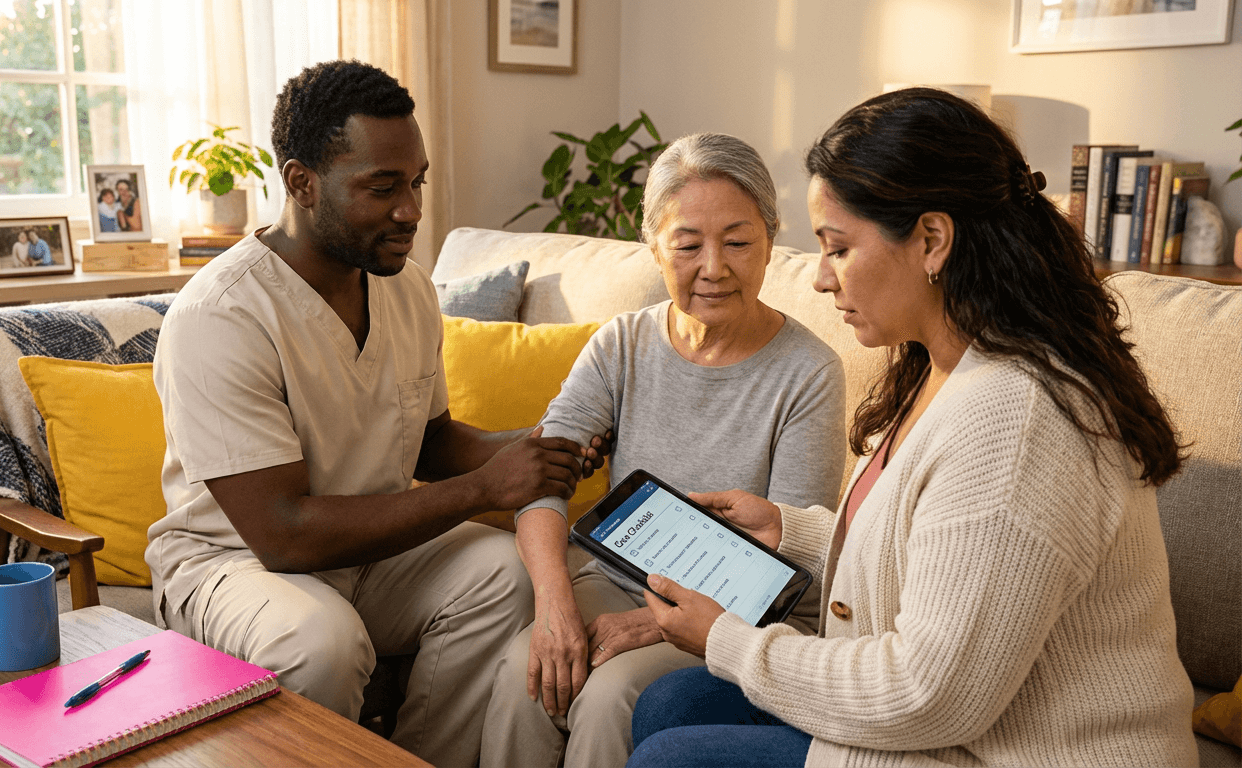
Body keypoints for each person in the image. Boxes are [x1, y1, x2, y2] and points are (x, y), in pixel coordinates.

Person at [626, 87, 1197, 768]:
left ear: (931, 239)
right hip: (971, 726)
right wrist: (793, 534)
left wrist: (727, 640)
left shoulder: (1014, 424)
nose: (818, 279)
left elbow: (929, 694)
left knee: (675, 754)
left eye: (838, 248)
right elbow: (937, 558)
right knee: (671, 705)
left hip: (1015, 751)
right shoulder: (944, 367)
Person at [147, 60, 606, 767]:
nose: (412, 211)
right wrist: (487, 490)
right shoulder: (221, 316)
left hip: (376, 546)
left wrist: (538, 447)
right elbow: (283, 536)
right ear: (301, 182)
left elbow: (430, 443)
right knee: (317, 638)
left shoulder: (407, 288)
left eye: (416, 182)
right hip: (234, 564)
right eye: (382, 187)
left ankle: (422, 758)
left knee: (507, 572)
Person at [481, 133, 847, 768]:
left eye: (737, 242)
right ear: (654, 247)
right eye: (687, 245)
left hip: (729, 615)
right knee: (528, 669)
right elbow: (540, 477)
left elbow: (787, 553)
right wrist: (555, 603)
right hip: (609, 578)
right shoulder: (621, 344)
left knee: (608, 698)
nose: (714, 267)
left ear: (769, 242)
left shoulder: (810, 372)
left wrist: (652, 625)